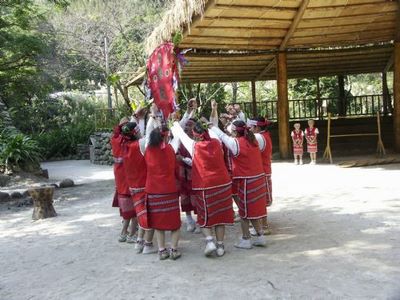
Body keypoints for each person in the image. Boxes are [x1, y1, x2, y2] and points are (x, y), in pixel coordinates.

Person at [171, 116, 234, 257]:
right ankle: (220, 246)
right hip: (223, 184)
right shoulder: (217, 143)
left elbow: (180, 134)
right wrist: (209, 124)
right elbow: (213, 133)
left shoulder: (194, 146)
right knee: (220, 215)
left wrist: (174, 121)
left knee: (204, 215)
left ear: (195, 135)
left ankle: (210, 241)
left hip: (205, 185)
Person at [210, 104, 267, 250]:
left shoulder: (235, 143)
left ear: (235, 132)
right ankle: (260, 236)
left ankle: (246, 239)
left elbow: (222, 137)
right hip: (259, 178)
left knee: (244, 212)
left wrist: (211, 126)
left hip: (247, 180)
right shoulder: (255, 139)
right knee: (253, 210)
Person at [144, 124, 182, 260]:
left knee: (158, 223)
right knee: (175, 223)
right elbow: (176, 169)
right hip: (169, 190)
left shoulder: (147, 150)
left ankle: (161, 250)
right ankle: (174, 249)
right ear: (166, 137)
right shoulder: (170, 150)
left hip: (153, 190)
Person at [121, 121, 157, 254]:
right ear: (135, 132)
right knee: (149, 215)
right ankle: (147, 245)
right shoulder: (140, 144)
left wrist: (139, 119)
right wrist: (152, 118)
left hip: (133, 186)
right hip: (145, 185)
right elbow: (149, 135)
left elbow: (139, 133)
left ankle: (139, 242)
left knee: (141, 213)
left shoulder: (124, 145)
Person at [111, 118, 137, 243]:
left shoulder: (115, 140)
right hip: (130, 180)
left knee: (127, 209)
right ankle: (131, 234)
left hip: (120, 180)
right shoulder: (132, 145)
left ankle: (123, 233)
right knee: (136, 209)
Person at [248, 116, 273, 235]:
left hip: (261, 171)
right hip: (264, 170)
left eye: (251, 127)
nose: (249, 129)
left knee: (260, 199)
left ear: (256, 127)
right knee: (260, 199)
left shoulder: (258, 137)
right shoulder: (265, 135)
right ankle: (262, 224)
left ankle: (264, 226)